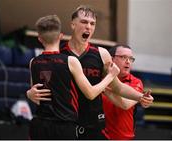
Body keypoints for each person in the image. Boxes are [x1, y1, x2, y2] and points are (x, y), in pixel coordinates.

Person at [27, 5, 154, 139]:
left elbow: (118, 87)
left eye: (92, 23)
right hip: (67, 124)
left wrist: (140, 97)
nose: (88, 27)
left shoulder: (101, 54)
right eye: (84, 22)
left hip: (93, 125)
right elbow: (44, 88)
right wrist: (30, 93)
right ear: (73, 25)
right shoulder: (60, 55)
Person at [28, 14, 119, 140]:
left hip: (39, 124)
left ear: (39, 39)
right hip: (64, 126)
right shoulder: (70, 60)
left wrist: (29, 94)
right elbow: (91, 94)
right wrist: (111, 76)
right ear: (60, 36)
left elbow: (36, 96)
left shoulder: (33, 62)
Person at [102, 44, 151, 140]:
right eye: (123, 57)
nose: (128, 62)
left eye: (131, 59)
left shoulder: (136, 82)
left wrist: (104, 89)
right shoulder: (100, 78)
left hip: (123, 138)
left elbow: (125, 104)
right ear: (111, 59)